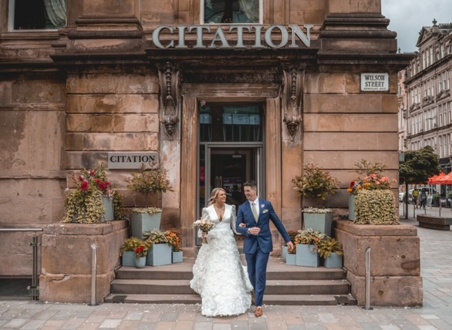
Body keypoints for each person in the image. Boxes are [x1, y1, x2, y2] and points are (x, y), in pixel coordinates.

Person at [190, 187, 253, 317]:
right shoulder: (207, 210)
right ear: (215, 197)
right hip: (213, 242)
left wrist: (246, 229)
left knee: (230, 267)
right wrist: (204, 234)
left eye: (225, 195)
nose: (224, 197)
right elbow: (202, 227)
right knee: (214, 266)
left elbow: (235, 226)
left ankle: (233, 294)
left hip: (227, 242)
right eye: (221, 195)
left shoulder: (231, 208)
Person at [235, 180, 294, 318]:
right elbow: (238, 227)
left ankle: (259, 305)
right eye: (245, 191)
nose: (246, 193)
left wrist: (288, 240)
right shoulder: (242, 207)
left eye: (248, 191)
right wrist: (248, 230)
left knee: (260, 272)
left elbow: (278, 223)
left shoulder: (266, 205)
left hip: (264, 244)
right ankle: (256, 291)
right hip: (250, 244)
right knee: (251, 273)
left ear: (255, 190)